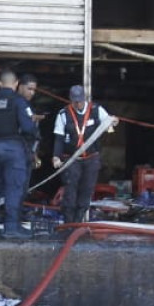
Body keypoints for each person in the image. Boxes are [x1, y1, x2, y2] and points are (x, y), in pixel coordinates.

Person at [0, 70, 39, 239]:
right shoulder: (19, 102)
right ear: (15, 84)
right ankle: (11, 227)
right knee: (14, 188)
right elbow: (29, 128)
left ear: (0, 84)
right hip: (13, 148)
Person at [51, 84, 114, 225]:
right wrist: (56, 156)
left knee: (86, 191)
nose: (78, 104)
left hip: (91, 159)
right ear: (70, 100)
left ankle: (78, 223)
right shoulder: (63, 114)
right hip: (71, 159)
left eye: (80, 100)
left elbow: (109, 123)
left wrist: (113, 122)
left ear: (85, 98)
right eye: (75, 101)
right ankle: (68, 224)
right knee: (70, 192)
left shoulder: (96, 110)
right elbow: (59, 138)